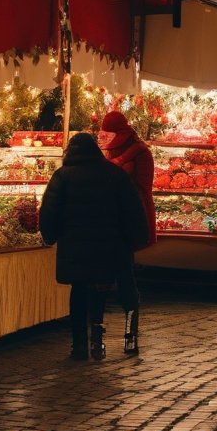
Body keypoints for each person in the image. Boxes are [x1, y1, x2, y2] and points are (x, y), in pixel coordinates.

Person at [39, 132, 149, 361]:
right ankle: (117, 340)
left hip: (75, 247)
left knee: (79, 291)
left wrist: (50, 237)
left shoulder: (62, 177)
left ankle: (79, 344)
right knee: (109, 291)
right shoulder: (114, 174)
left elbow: (49, 212)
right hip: (112, 247)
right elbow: (133, 209)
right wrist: (136, 239)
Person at [97, 110, 156, 354]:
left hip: (124, 224)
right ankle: (94, 337)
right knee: (102, 281)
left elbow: (142, 191)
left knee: (123, 278)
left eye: (108, 134)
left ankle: (130, 333)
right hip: (105, 224)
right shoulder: (106, 154)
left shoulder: (140, 153)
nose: (104, 139)